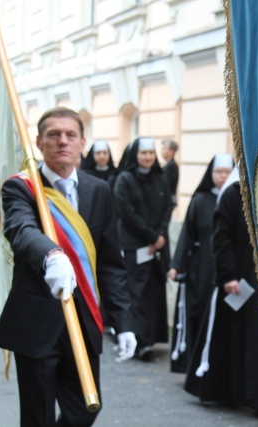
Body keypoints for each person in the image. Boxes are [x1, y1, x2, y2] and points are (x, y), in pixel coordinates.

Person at [0, 107, 137, 426]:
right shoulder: (22, 187)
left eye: (71, 135)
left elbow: (111, 264)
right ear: (39, 142)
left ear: (82, 141)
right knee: (37, 417)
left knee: (86, 408)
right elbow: (21, 229)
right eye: (53, 135)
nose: (62, 142)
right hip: (37, 321)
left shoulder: (98, 190)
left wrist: (123, 321)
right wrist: (51, 255)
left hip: (83, 321)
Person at [183, 167, 258, 414]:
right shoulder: (231, 194)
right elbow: (221, 238)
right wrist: (228, 275)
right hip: (242, 277)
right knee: (241, 336)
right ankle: (248, 395)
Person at [167, 154, 233, 373]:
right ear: (211, 174)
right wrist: (177, 265)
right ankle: (194, 364)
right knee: (199, 312)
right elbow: (187, 233)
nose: (223, 176)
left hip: (227, 267)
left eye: (227, 172)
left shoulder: (235, 199)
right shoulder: (200, 200)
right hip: (201, 266)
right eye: (219, 172)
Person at [114, 137, 174, 361]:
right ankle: (139, 340)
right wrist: (151, 236)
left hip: (156, 246)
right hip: (134, 245)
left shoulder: (160, 178)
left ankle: (151, 336)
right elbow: (127, 213)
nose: (148, 157)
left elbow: (168, 206)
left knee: (153, 292)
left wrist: (159, 235)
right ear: (135, 155)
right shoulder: (125, 179)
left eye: (151, 153)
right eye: (143, 153)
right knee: (135, 293)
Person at [160, 139, 179, 205]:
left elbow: (163, 183)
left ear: (171, 151)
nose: (161, 151)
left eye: (164, 149)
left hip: (167, 201)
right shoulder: (168, 165)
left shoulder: (172, 166)